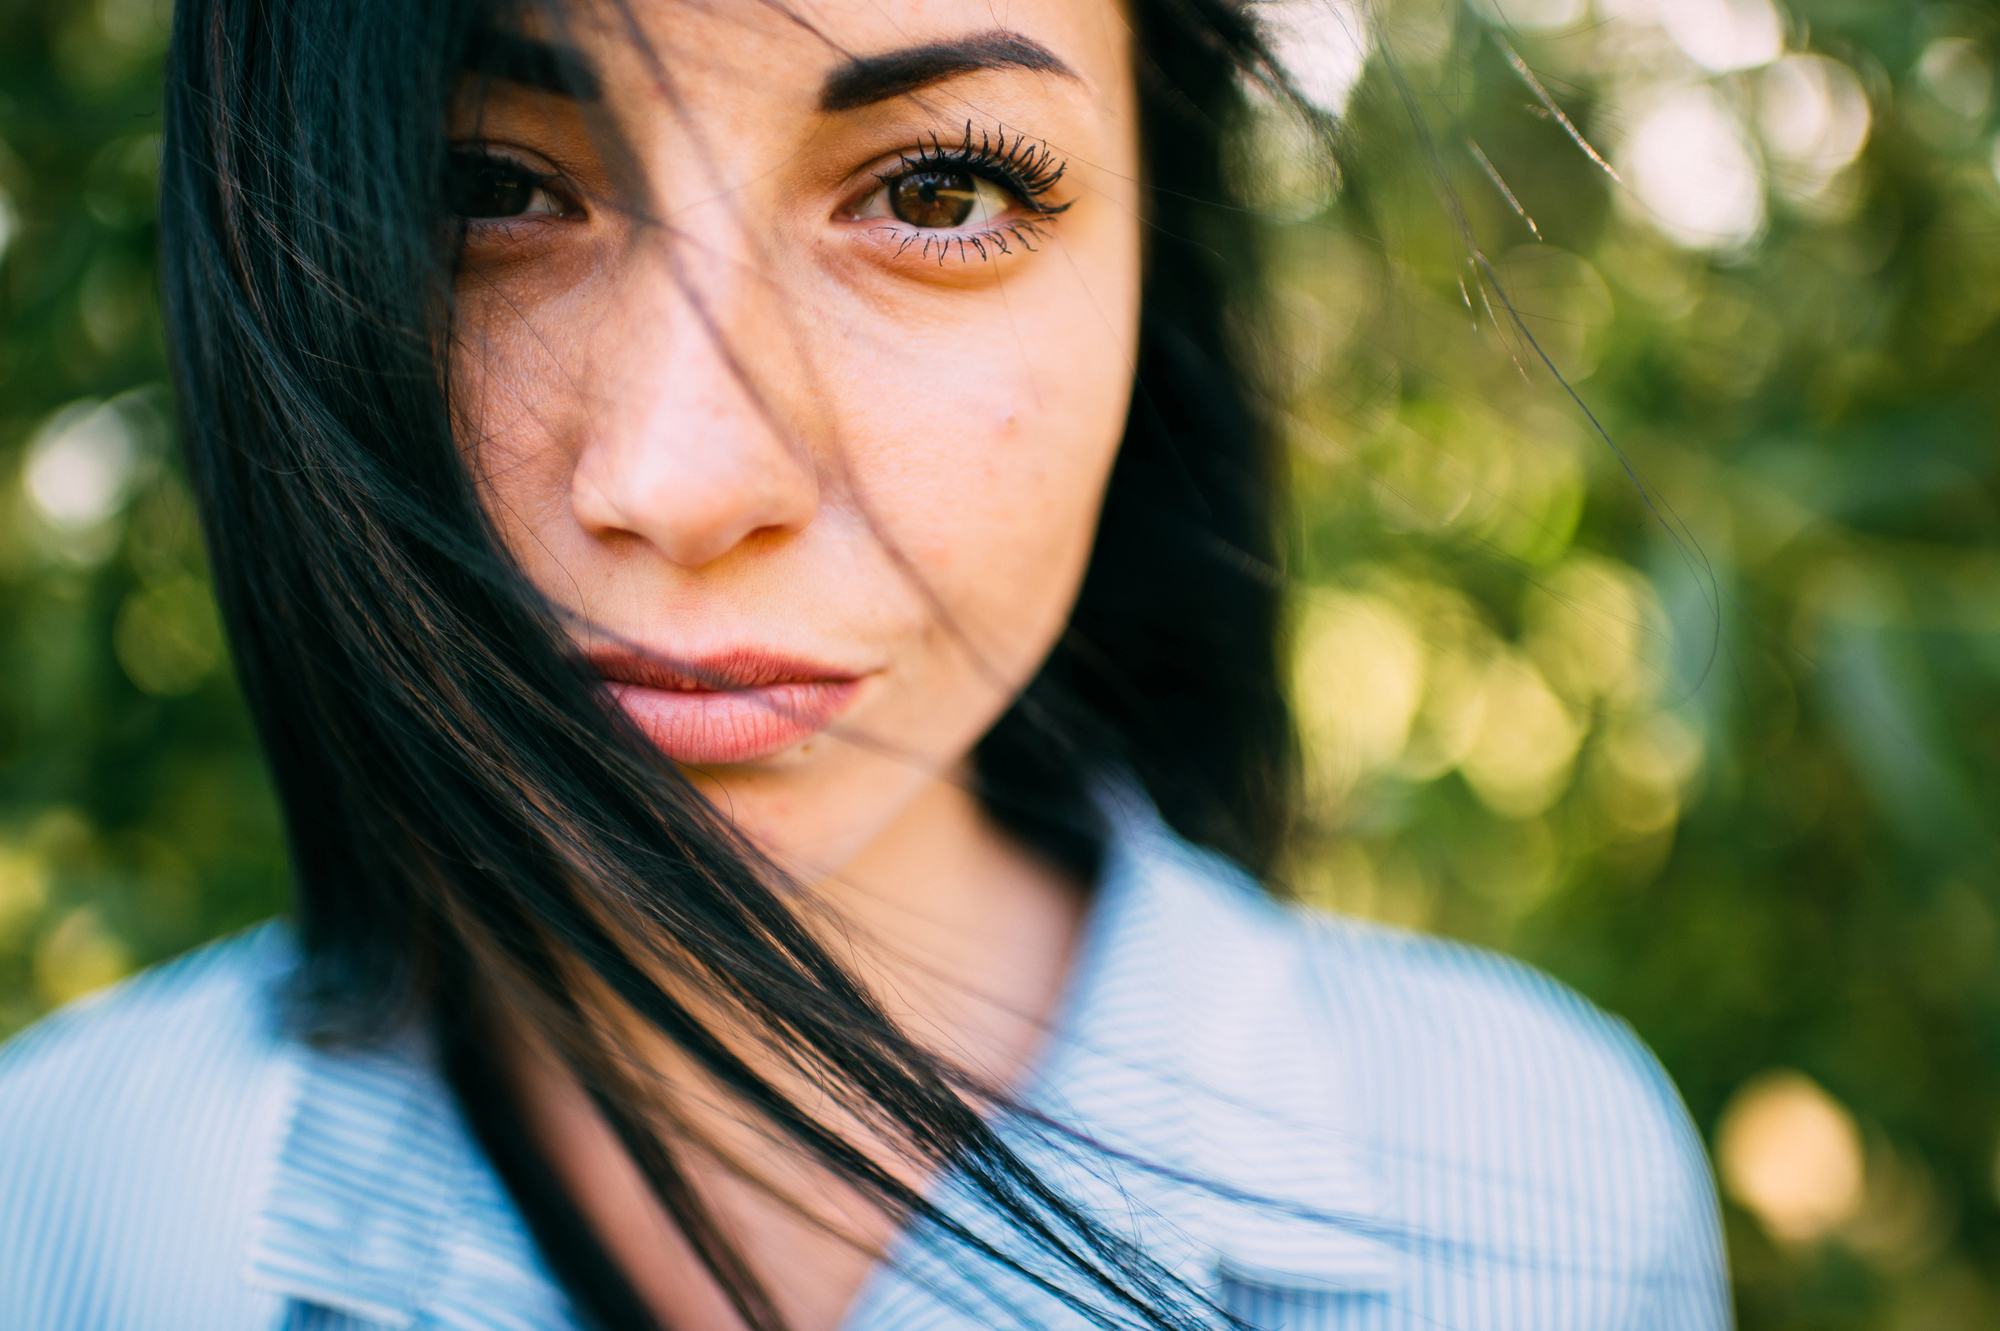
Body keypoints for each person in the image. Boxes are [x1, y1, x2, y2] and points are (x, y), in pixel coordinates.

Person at [0, 0, 1730, 1327]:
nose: (686, 477)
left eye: (940, 190)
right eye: (490, 186)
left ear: (1153, 268)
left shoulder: (1526, 1192)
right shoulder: (60, 1205)